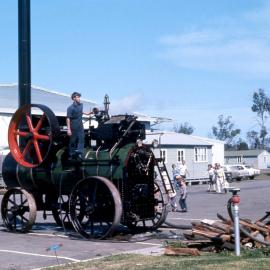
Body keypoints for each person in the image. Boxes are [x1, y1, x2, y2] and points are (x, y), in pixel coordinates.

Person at [66, 92, 90, 160]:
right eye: (77, 97)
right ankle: (71, 154)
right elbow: (68, 118)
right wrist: (68, 129)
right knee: (73, 140)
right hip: (73, 124)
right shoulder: (70, 108)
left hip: (80, 124)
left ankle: (80, 153)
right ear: (74, 98)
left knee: (82, 138)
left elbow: (80, 111)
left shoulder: (81, 105)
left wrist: (87, 113)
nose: (79, 98)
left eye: (79, 97)